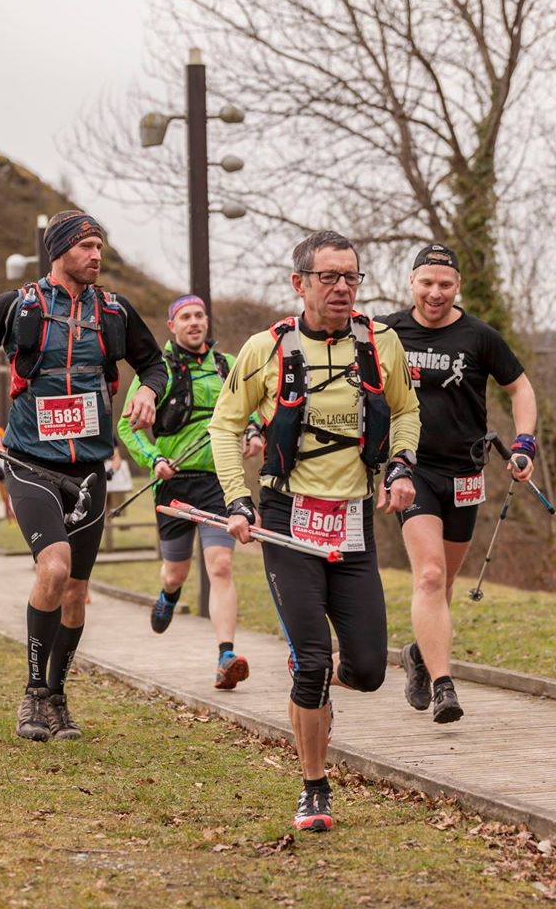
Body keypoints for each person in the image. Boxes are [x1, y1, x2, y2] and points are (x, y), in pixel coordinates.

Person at [209, 230, 420, 832]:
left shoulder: (381, 343)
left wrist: (401, 465)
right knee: (309, 661)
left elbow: (406, 411)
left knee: (370, 671)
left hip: (353, 523)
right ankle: (314, 787)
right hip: (286, 520)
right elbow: (225, 426)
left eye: (350, 277)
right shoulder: (264, 349)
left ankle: (321, 691)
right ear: (299, 283)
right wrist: (237, 501)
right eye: (328, 277)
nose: (342, 288)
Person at [0, 210, 167, 742]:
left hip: (88, 468)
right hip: (30, 462)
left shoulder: (114, 310)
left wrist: (149, 391)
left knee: (76, 591)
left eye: (101, 247)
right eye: (87, 245)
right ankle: (32, 694)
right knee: (55, 567)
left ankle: (59, 696)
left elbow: (153, 362)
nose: (97, 255)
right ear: (59, 250)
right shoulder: (19, 307)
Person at [376, 244, 537, 724]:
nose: (435, 292)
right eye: (426, 282)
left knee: (441, 586)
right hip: (413, 469)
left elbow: (521, 387)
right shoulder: (386, 332)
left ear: (457, 286)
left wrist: (524, 442)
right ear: (411, 283)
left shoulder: (479, 336)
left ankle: (419, 655)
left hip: (466, 473)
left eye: (445, 284)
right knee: (428, 575)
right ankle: (445, 686)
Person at [118, 294, 264, 689]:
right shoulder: (156, 372)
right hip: (173, 482)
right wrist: (153, 460)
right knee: (176, 570)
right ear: (172, 326)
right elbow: (126, 428)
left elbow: (254, 406)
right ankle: (167, 594)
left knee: (220, 566)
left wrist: (253, 430)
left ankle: (225, 656)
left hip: (221, 481)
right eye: (186, 317)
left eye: (200, 315)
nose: (195, 322)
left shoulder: (228, 366)